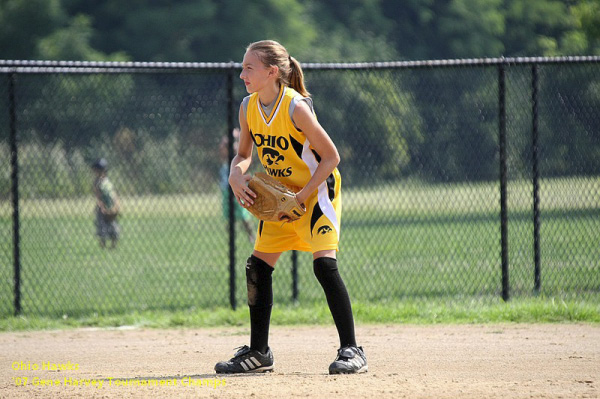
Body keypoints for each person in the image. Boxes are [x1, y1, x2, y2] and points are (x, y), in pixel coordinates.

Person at [214, 40, 367, 375]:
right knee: (257, 268)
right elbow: (242, 156)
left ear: (272, 72)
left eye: (248, 68)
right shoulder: (248, 107)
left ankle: (352, 350)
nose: (242, 74)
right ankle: (259, 353)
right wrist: (236, 177)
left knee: (324, 267)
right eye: (242, 68)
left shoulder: (295, 107)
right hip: (280, 198)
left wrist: (301, 198)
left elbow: (331, 158)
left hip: (315, 195)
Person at [219, 131, 256, 244]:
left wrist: (237, 137)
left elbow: (242, 153)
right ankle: (231, 238)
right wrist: (226, 141)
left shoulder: (240, 149)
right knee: (228, 215)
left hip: (239, 186)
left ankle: (251, 235)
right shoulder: (225, 150)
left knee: (243, 214)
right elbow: (222, 150)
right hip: (226, 188)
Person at [91, 158, 120, 249]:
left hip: (111, 206)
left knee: (113, 226)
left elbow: (113, 193)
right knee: (102, 227)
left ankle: (113, 245)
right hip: (102, 208)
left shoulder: (107, 181)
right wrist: (102, 207)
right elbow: (98, 195)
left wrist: (117, 205)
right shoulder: (97, 182)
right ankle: (103, 245)